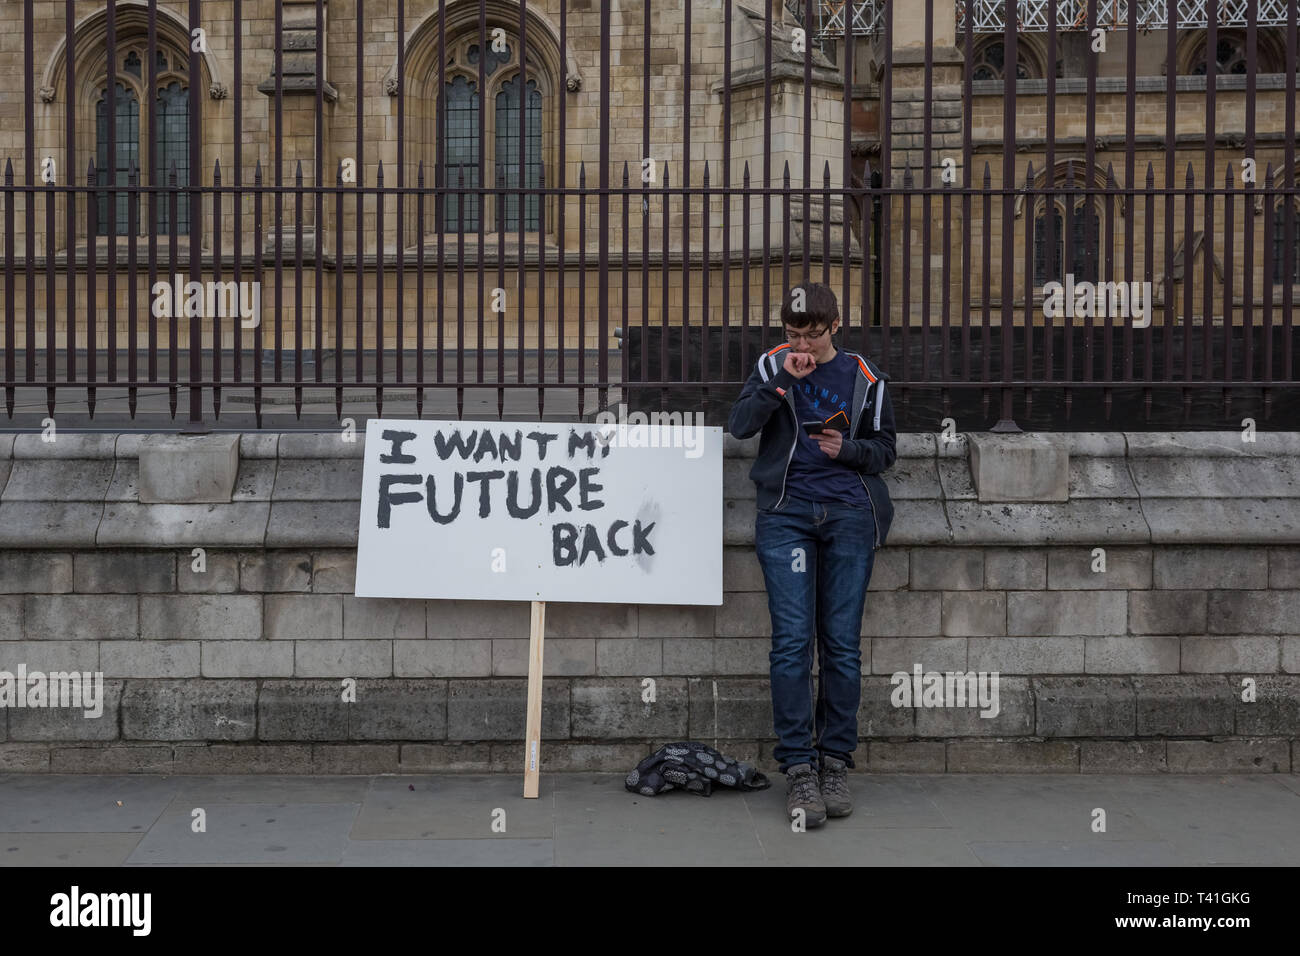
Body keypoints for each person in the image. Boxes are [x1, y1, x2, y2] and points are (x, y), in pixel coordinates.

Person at [727, 281, 896, 827]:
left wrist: (845, 450)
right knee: (792, 643)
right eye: (793, 333)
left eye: (813, 335)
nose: (802, 344)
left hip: (848, 515)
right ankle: (799, 767)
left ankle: (835, 761)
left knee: (842, 645)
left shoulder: (864, 376)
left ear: (835, 326)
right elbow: (739, 426)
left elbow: (885, 450)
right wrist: (779, 386)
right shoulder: (773, 365)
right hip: (786, 515)